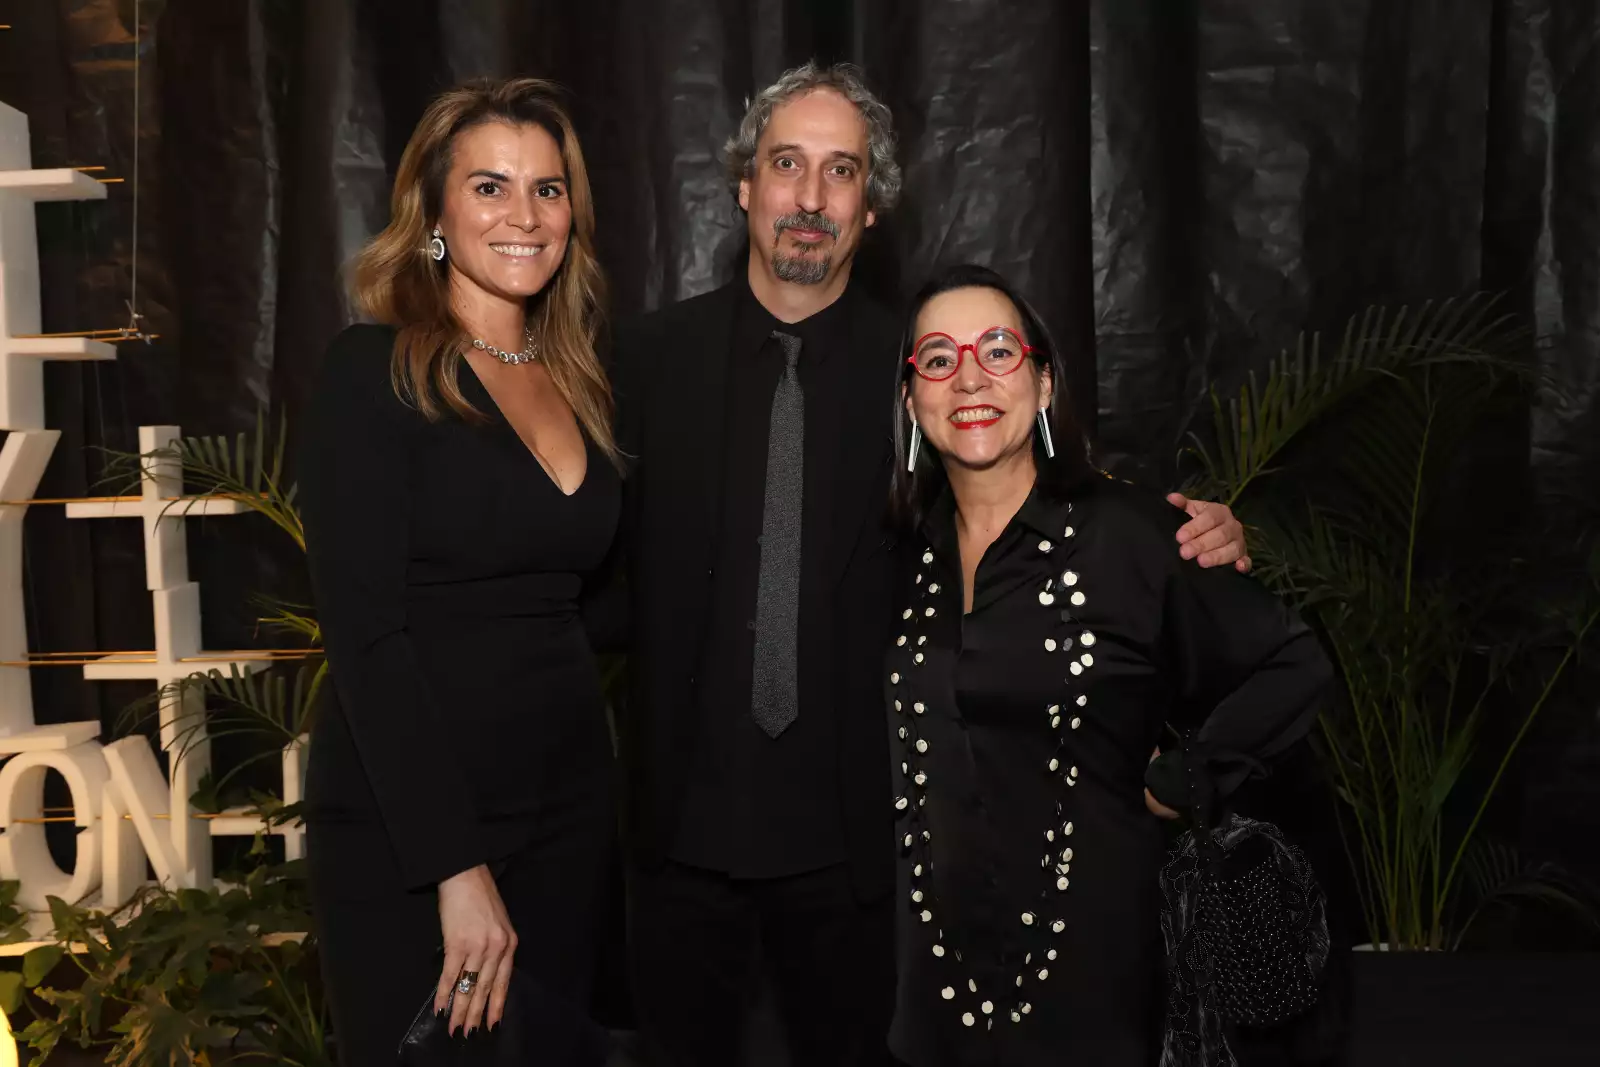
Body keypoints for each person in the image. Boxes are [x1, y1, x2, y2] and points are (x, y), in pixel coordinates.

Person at [606, 62, 1252, 1067]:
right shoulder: (642, 361)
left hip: (867, 859)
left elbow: (1044, 490)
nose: (811, 197)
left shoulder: (921, 368)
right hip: (676, 849)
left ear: (870, 208)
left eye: (841, 172)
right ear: (741, 185)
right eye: (787, 165)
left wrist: (1183, 534)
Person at [883, 262, 1333, 1066]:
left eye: (998, 349)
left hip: (1099, 993)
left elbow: (1293, 661)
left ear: (1045, 381)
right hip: (933, 1004)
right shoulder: (898, 556)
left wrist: (1187, 774)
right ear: (913, 401)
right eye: (940, 359)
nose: (971, 377)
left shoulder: (1132, 535)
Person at [298, 78, 620, 1065]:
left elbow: (594, 610)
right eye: (489, 187)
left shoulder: (583, 380)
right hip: (416, 833)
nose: (524, 216)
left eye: (548, 189)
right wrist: (454, 865)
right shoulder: (373, 371)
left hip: (568, 819)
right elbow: (366, 634)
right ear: (433, 213)